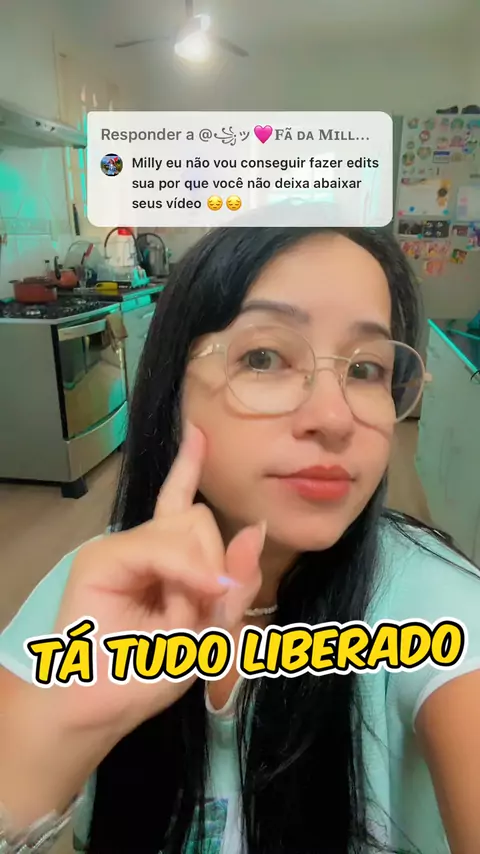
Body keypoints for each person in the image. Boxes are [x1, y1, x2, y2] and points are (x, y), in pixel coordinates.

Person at [1, 226, 479, 854]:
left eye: (366, 370)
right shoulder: (88, 596)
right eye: (264, 358)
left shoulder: (441, 606)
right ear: (173, 390)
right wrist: (57, 737)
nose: (335, 418)